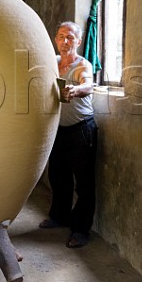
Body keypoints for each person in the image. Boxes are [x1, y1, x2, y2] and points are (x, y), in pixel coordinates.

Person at [39, 21, 98, 248]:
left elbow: (88, 85)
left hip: (81, 130)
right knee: (58, 175)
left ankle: (81, 230)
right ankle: (59, 217)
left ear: (79, 41)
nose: (65, 42)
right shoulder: (52, 63)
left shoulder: (83, 65)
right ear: (55, 39)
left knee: (83, 183)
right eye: (61, 37)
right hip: (58, 130)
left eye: (70, 37)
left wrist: (75, 89)